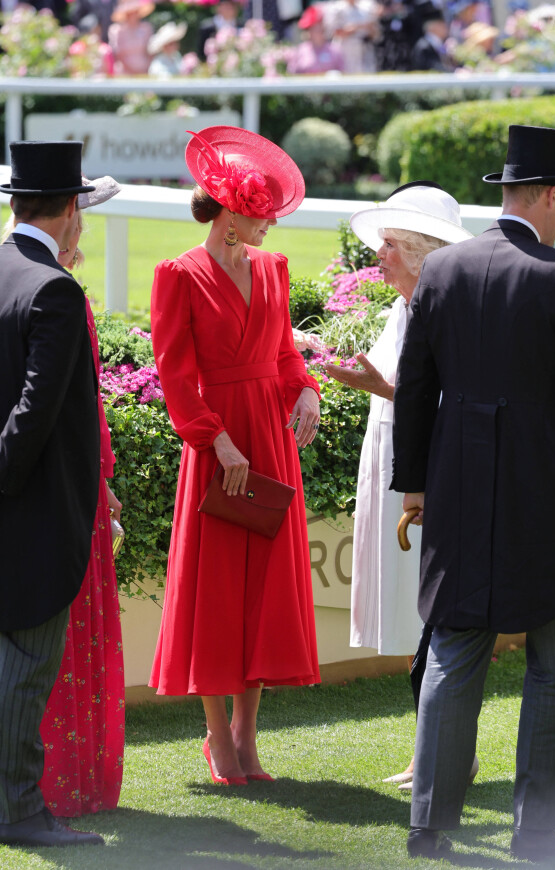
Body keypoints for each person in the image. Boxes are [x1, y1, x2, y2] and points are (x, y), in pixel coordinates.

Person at [391, 124, 555, 860]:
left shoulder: (442, 271)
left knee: (452, 653)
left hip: (459, 491)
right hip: (552, 499)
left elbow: (415, 389)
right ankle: (537, 829)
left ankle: (428, 825)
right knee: (552, 664)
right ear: (551, 194)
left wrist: (413, 486)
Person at [149, 126, 321, 784]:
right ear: (229, 212)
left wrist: (304, 391)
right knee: (218, 591)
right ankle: (218, 737)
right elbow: (174, 374)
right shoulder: (178, 274)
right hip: (217, 446)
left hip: (271, 443)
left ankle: (248, 736)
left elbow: (282, 354)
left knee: (263, 593)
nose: (271, 225)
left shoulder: (274, 269)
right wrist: (214, 440)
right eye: (261, 213)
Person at [324, 182, 473, 790]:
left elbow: (436, 397)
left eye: (389, 244)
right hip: (393, 461)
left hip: (427, 468)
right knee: (414, 617)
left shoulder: (449, 311)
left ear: (417, 249)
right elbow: (392, 380)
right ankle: (432, 751)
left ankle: (443, 755)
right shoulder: (400, 309)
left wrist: (379, 388)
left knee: (429, 613)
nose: (378, 256)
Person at [0, 140, 104, 847]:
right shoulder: (55, 289)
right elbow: (35, 413)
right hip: (29, 511)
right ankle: (17, 811)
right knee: (28, 667)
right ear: (70, 210)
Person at [35, 176, 126, 818]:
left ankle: (69, 778)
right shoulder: (59, 293)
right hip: (66, 489)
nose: (84, 227)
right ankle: (63, 782)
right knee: (64, 638)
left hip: (85, 485)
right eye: (83, 214)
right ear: (69, 212)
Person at [287, 5, 345, 75]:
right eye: (315, 28)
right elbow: (292, 74)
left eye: (320, 28)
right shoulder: (300, 51)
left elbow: (342, 73)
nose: (319, 31)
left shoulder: (334, 50)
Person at [109, 0, 155, 76]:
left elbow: (150, 51)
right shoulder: (117, 30)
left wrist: (146, 68)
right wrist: (132, 71)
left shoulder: (146, 28)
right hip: (124, 72)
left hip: (144, 70)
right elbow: (118, 54)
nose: (133, 15)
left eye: (135, 11)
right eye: (131, 12)